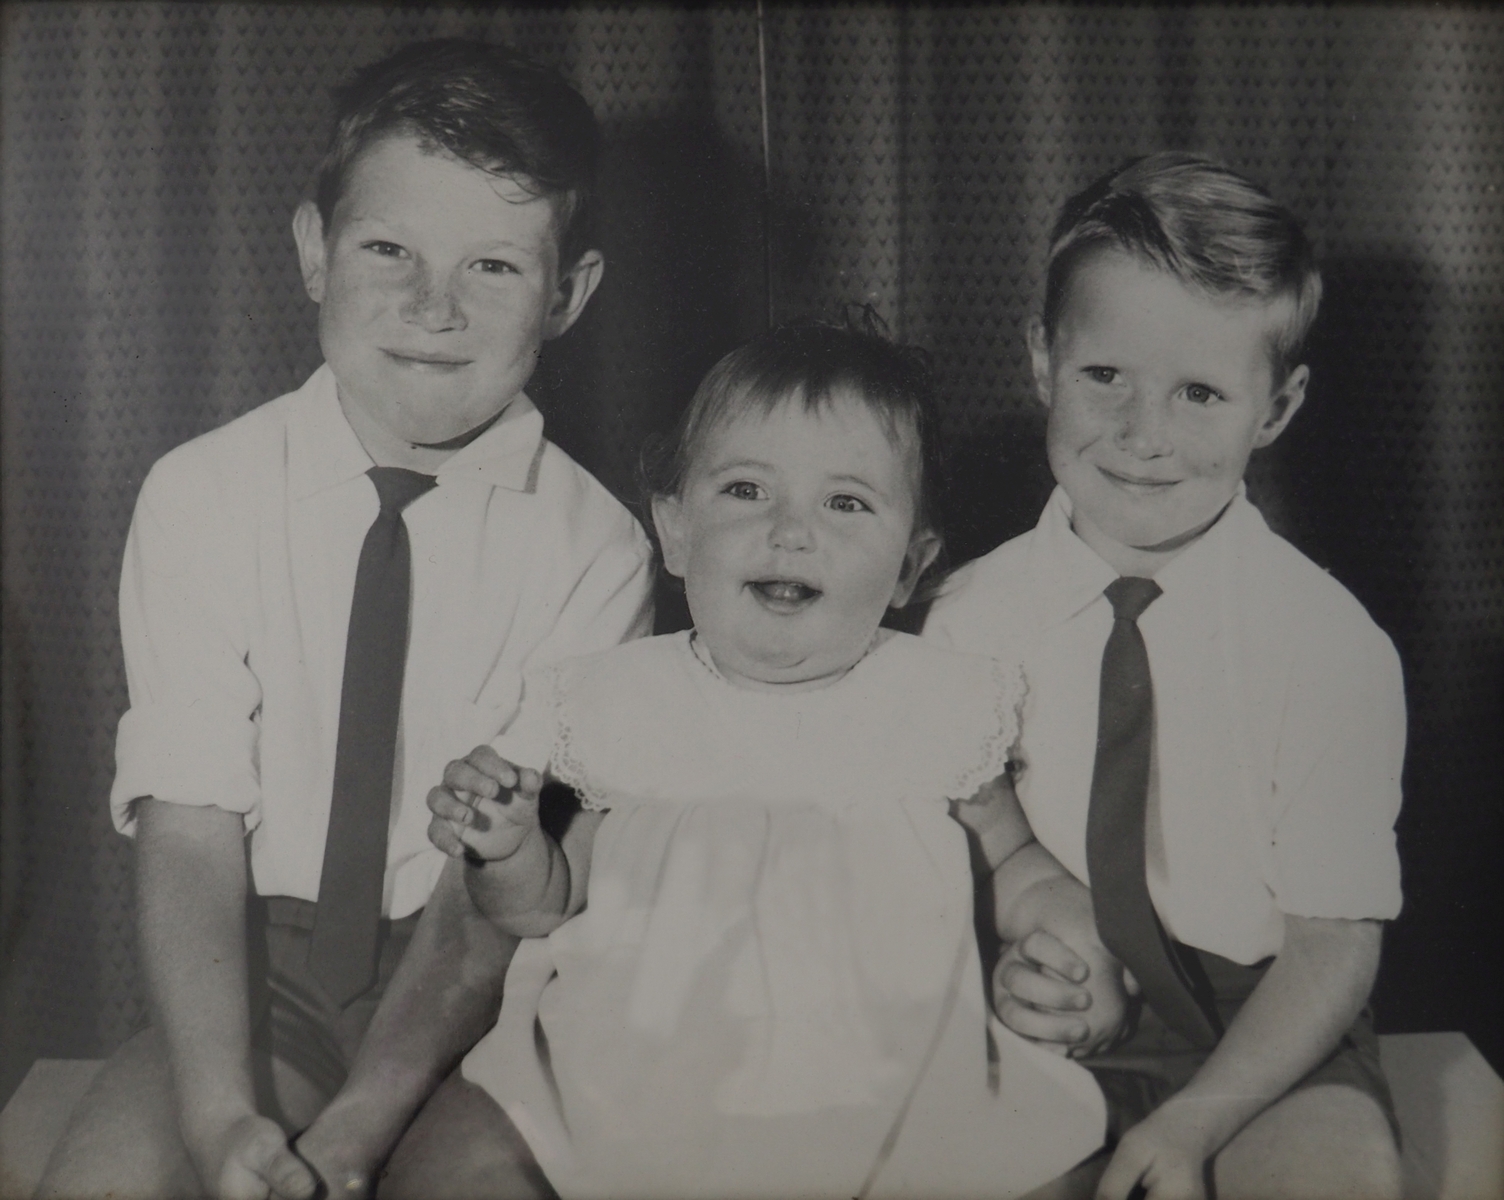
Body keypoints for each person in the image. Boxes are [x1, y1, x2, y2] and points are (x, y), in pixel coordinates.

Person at [38, 40, 653, 1200]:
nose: (433, 307)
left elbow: (492, 892)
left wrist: (351, 1141)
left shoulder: (598, 552)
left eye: (493, 268)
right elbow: (189, 824)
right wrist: (224, 1117)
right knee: (107, 1183)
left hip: (486, 994)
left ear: (567, 296)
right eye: (388, 250)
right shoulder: (200, 494)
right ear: (315, 252)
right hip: (259, 980)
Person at [314, 317, 1120, 1199]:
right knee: (443, 1176)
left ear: (910, 567)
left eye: (845, 503)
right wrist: (506, 851)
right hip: (615, 1079)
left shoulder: (935, 702)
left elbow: (1013, 862)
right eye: (745, 491)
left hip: (887, 1083)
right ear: (675, 530)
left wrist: (1068, 934)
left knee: (1054, 1165)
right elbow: (547, 904)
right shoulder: (618, 698)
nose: (790, 532)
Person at [924, 152, 1406, 1200]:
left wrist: (1194, 1125)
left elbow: (1332, 949)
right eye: (1107, 377)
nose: (1144, 436)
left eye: (1199, 392)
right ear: (1045, 361)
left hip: (1272, 1026)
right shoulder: (964, 619)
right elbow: (956, 857)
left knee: (1338, 1183)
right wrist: (1024, 969)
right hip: (1056, 1011)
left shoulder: (1330, 646)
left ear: (1273, 409)